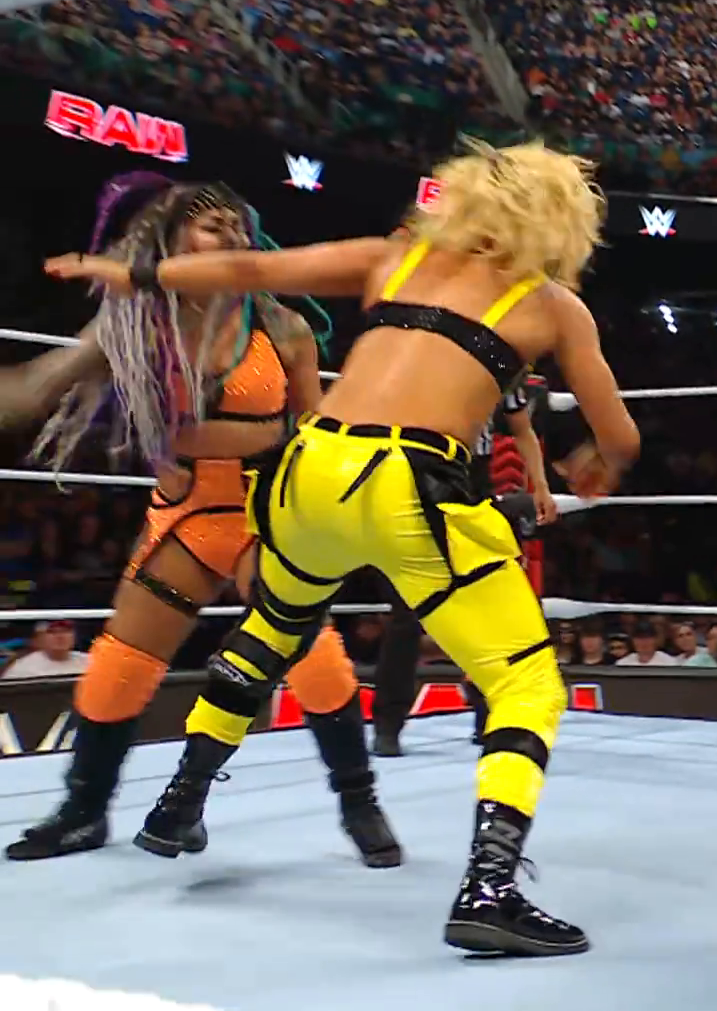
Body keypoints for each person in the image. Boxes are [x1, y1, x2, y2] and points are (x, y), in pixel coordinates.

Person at [43, 138, 641, 956]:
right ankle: (490, 888)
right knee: (526, 682)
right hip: (407, 481)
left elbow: (253, 270)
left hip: (310, 467)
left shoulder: (395, 258)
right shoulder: (554, 304)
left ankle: (180, 802)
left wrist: (137, 273)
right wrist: (598, 460)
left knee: (275, 626)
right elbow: (620, 434)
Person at [3, 173, 398, 868]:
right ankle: (83, 812)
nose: (230, 233)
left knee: (313, 657)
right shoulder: (134, 321)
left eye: (237, 226)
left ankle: (359, 804)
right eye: (212, 223)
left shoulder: (282, 327)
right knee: (120, 661)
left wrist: (256, 439)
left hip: (263, 511)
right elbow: (37, 389)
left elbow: (312, 429)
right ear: (173, 236)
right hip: (186, 515)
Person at [370, 374, 556, 756]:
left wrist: (540, 484)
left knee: (492, 610)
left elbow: (522, 429)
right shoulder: (424, 367)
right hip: (418, 497)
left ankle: (491, 716)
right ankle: (388, 725)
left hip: (474, 498)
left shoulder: (501, 369)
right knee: (407, 615)